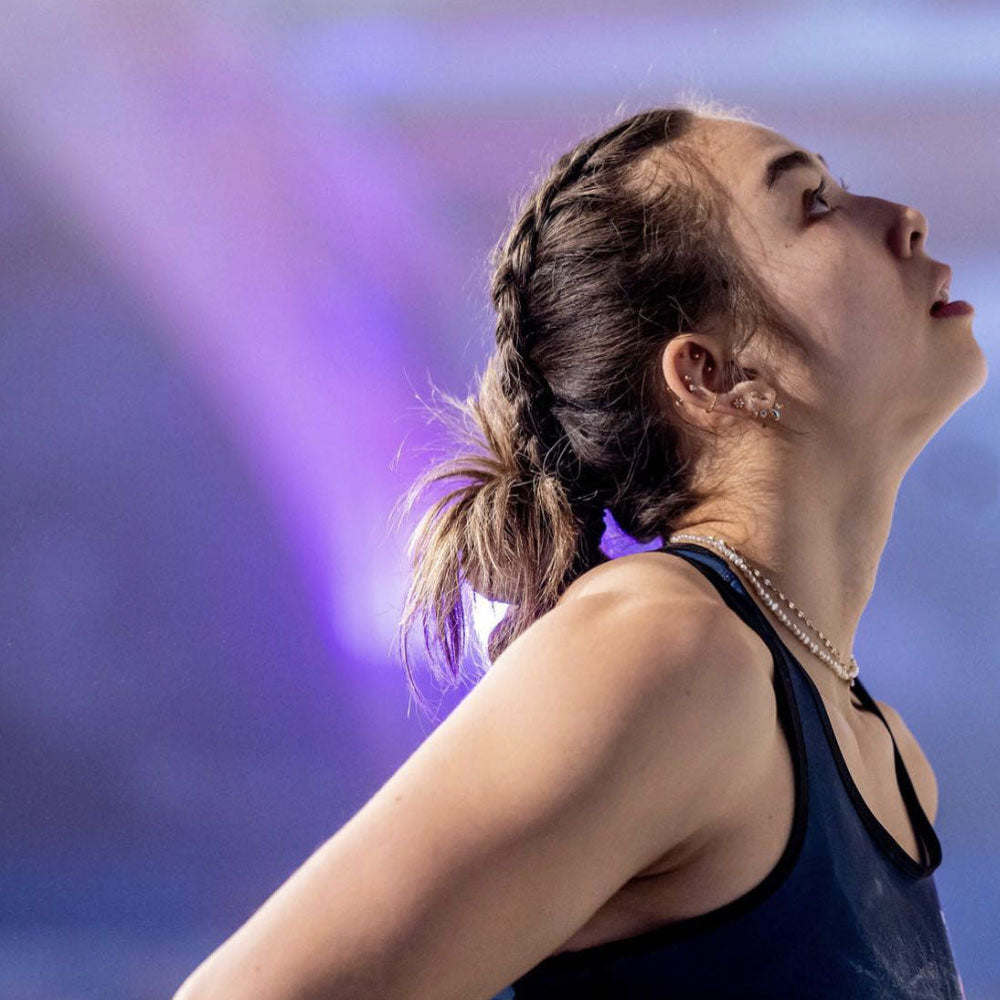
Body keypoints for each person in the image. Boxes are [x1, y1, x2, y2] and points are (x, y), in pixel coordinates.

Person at [172, 100, 983, 1000]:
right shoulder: (670, 653)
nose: (901, 220)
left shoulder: (883, 753)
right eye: (814, 205)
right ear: (712, 375)